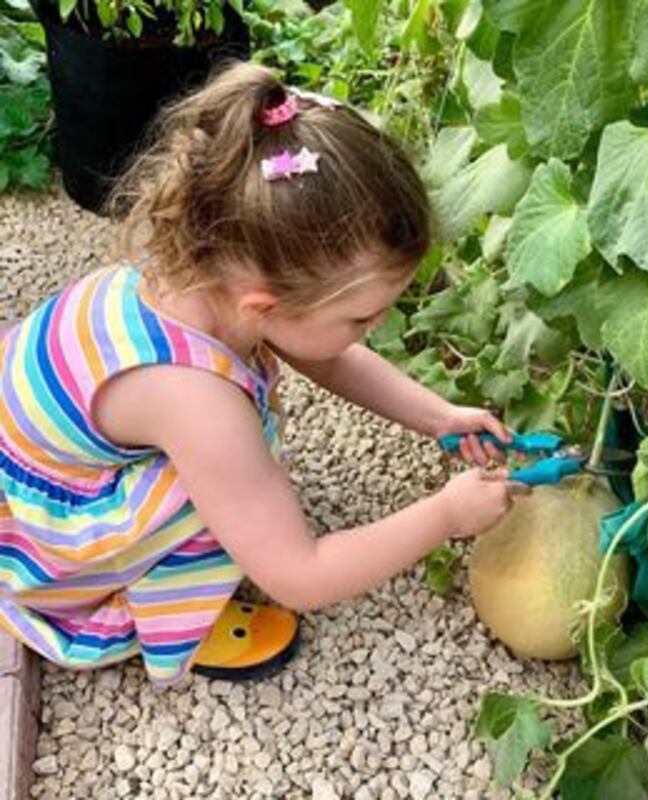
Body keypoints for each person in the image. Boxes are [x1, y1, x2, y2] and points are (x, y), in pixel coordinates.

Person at [0, 62, 521, 686]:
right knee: (231, 467)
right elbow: (297, 575)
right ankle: (166, 617)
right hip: (44, 542)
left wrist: (438, 416)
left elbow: (324, 350)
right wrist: (445, 516)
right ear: (265, 306)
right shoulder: (196, 401)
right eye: (362, 317)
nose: (376, 330)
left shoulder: (211, 268)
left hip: (28, 460)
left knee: (237, 459)